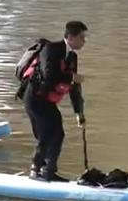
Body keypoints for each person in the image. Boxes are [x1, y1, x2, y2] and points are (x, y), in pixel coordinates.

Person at [20, 21, 88, 182]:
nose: (84, 41)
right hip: (34, 98)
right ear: (70, 37)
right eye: (82, 37)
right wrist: (71, 77)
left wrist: (79, 113)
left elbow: (74, 87)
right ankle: (36, 171)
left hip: (47, 102)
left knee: (58, 133)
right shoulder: (50, 49)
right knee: (47, 134)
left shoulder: (72, 57)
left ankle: (49, 171)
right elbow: (48, 75)